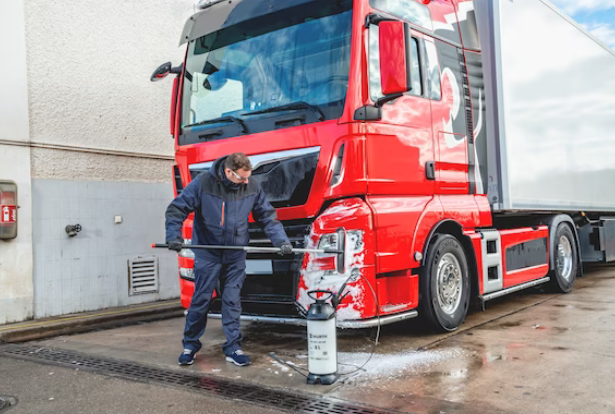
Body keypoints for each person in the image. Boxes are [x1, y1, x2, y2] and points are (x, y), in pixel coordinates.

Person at [165, 153, 293, 366]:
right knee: (201, 299)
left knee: (232, 301)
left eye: (248, 177)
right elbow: (177, 209)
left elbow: (266, 216)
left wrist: (281, 240)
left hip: (235, 255)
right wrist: (173, 236)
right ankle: (190, 345)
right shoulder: (204, 183)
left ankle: (233, 347)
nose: (246, 181)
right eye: (242, 177)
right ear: (228, 172)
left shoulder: (251, 186)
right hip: (209, 253)